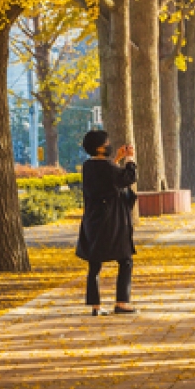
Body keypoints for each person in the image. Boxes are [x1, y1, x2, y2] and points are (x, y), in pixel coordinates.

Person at [76, 130, 137, 316]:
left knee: (94, 263)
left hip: (93, 220)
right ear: (100, 148)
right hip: (112, 221)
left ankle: (95, 306)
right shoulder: (108, 168)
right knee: (125, 259)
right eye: (107, 142)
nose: (110, 144)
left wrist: (117, 158)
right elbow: (127, 178)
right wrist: (129, 160)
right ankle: (122, 302)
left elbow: (108, 177)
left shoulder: (88, 166)